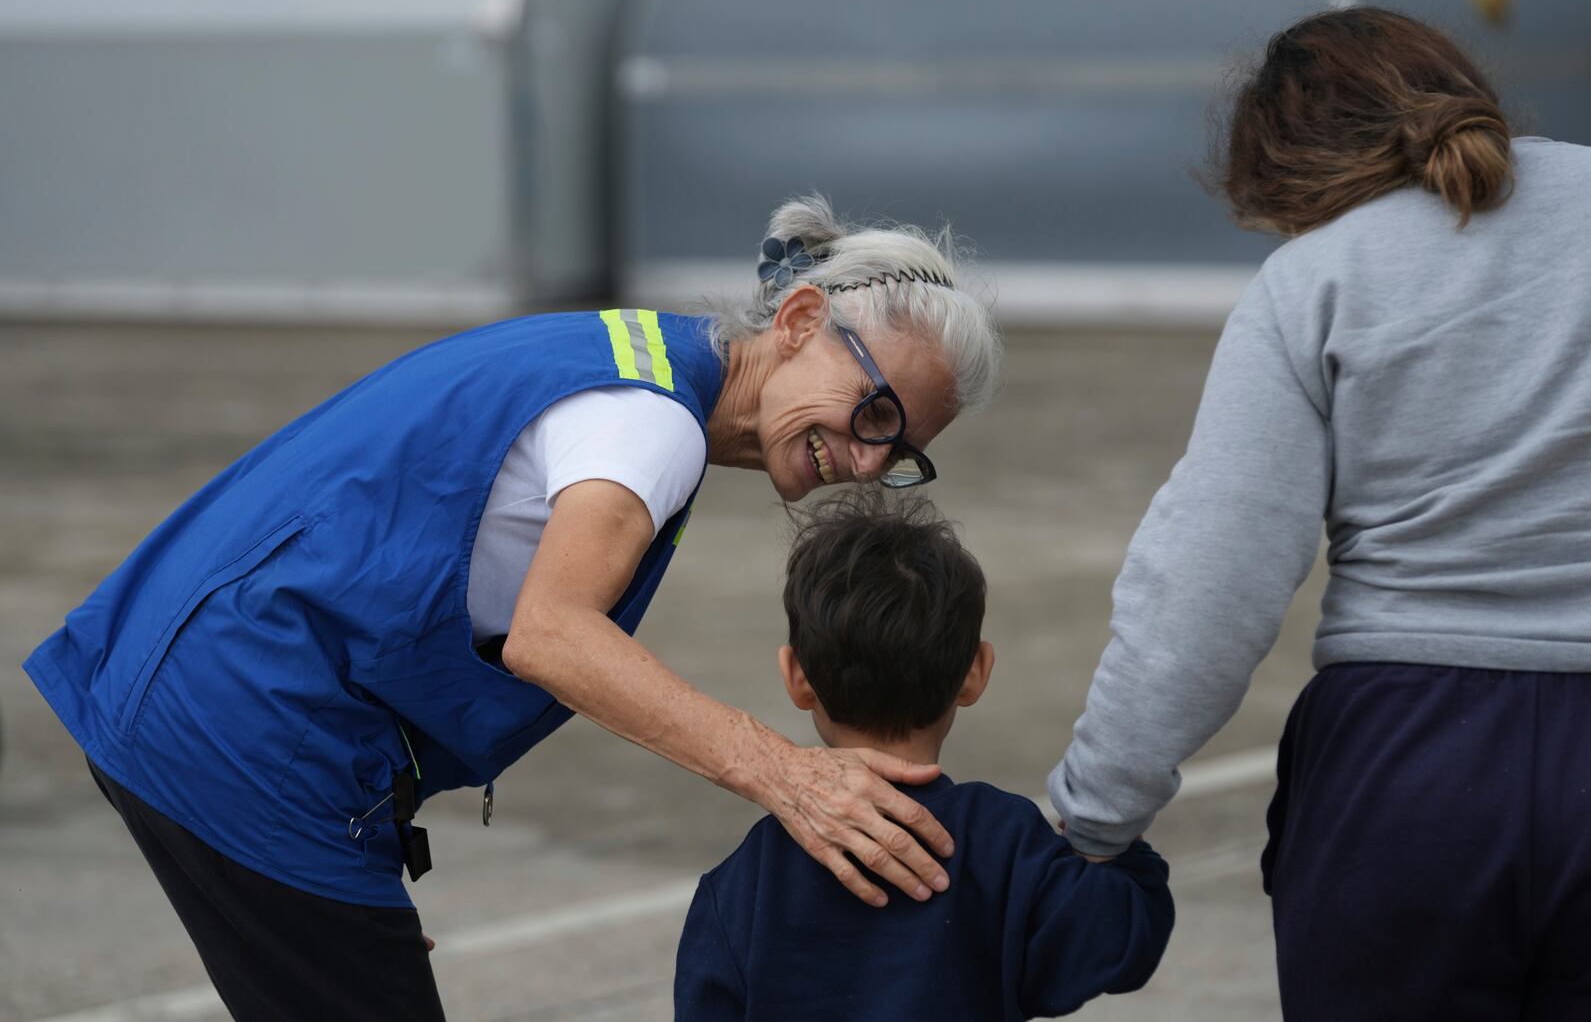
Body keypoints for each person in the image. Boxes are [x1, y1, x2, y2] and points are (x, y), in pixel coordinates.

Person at [23, 195, 1003, 1019]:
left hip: (187, 684)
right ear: (793, 324)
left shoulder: (633, 355)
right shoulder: (648, 424)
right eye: (874, 410)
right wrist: (786, 774)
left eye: (901, 447)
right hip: (244, 729)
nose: (868, 459)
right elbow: (552, 632)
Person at [1047, 7, 1591, 1019]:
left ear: (1292, 174)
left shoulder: (1310, 281)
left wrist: (1092, 818)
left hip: (1407, 777)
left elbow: (1206, 585)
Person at [677, 490, 1173, 1021]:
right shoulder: (1003, 844)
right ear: (976, 672)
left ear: (796, 677)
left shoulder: (740, 886)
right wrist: (1123, 854)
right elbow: (1121, 941)